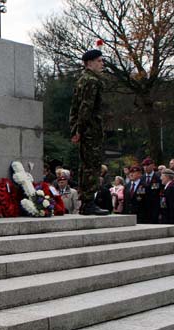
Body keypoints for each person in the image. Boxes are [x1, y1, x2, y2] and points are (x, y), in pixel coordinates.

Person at [69, 47, 109, 215]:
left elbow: (75, 108)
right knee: (91, 166)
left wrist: (74, 128)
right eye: (99, 61)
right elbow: (86, 107)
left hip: (86, 128)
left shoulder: (82, 80)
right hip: (90, 129)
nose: (102, 64)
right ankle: (88, 202)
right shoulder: (92, 81)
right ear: (89, 63)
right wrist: (80, 129)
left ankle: (86, 201)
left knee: (86, 165)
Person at [141, 157, 162, 224]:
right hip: (144, 207)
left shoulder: (158, 177)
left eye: (147, 165)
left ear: (153, 165)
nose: (145, 167)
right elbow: (140, 192)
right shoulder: (142, 178)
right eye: (144, 165)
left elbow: (156, 192)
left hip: (154, 206)